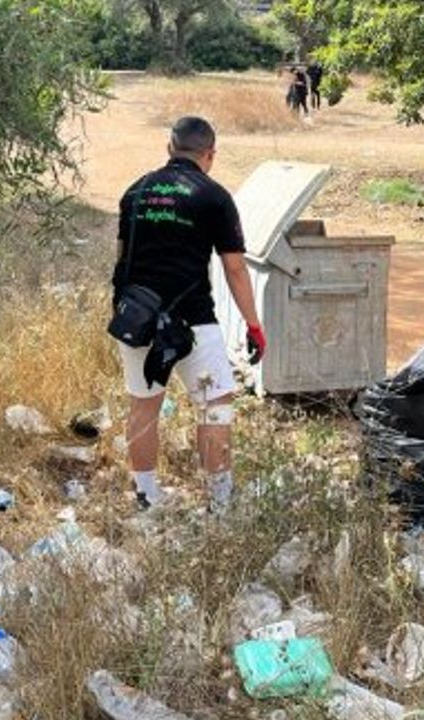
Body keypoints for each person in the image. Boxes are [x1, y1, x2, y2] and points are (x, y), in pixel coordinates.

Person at [112, 116, 267, 514]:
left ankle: (147, 497)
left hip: (139, 321)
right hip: (193, 320)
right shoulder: (213, 196)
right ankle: (220, 503)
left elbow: (121, 258)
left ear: (169, 148)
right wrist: (253, 325)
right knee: (215, 404)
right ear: (210, 155)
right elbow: (234, 268)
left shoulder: (136, 191)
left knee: (143, 406)